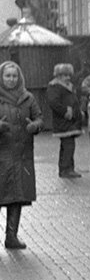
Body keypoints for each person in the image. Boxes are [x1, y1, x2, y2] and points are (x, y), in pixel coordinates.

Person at [0, 61, 43, 249]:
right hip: (2, 156)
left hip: (22, 156)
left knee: (17, 196)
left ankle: (11, 236)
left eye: (14, 76)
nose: (11, 79)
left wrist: (35, 126)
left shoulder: (28, 98)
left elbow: (39, 118)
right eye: (7, 76)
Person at [45, 62, 83, 178]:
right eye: (64, 75)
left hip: (70, 121)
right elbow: (53, 102)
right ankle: (67, 169)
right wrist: (66, 111)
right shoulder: (55, 87)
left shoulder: (67, 86)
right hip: (64, 121)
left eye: (68, 75)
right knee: (68, 146)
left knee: (66, 145)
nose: (67, 78)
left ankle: (64, 168)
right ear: (58, 76)